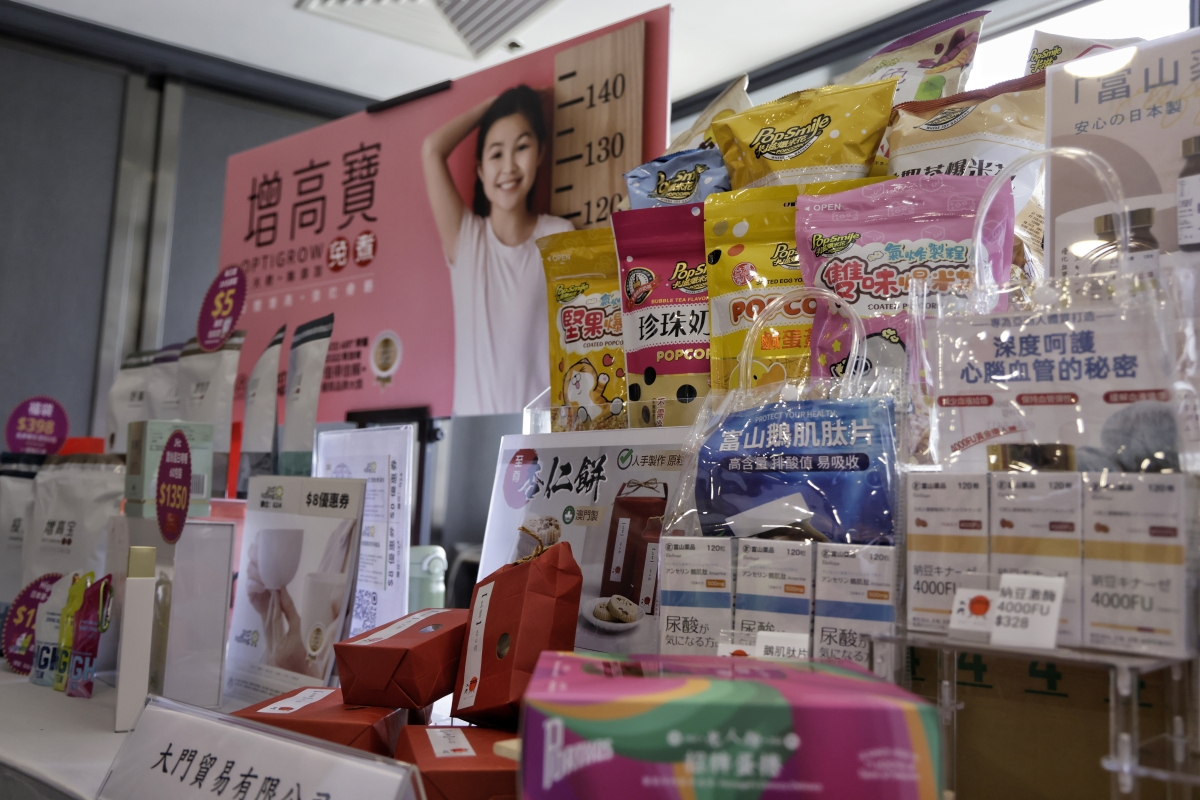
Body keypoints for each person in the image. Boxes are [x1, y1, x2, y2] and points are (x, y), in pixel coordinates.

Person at [422, 85, 573, 416]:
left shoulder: (559, 236)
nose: (508, 167)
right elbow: (432, 149)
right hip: (471, 435)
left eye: (521, 147)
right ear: (480, 169)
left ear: (540, 153)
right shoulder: (466, 239)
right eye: (496, 154)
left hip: (540, 433)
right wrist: (493, 103)